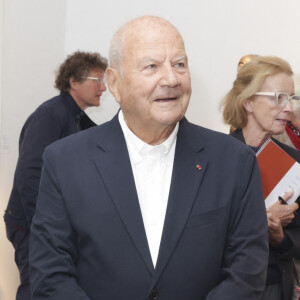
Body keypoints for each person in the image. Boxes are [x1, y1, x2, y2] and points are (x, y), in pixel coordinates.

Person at [30, 16, 268, 300]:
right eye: (151, 66)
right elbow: (51, 276)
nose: (170, 79)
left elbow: (247, 274)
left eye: (179, 64)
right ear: (115, 84)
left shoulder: (235, 161)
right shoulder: (65, 161)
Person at [4, 51, 108, 300]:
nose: (103, 87)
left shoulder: (78, 118)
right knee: (37, 287)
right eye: (97, 80)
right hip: (32, 224)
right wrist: (41, 227)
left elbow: (109, 139)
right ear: (73, 81)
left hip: (53, 224)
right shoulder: (50, 115)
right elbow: (29, 174)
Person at [222, 55, 300, 300]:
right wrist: (260, 221)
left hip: (275, 284)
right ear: (248, 102)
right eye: (279, 98)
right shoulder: (215, 158)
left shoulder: (294, 161)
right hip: (226, 285)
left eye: (291, 98)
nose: (288, 108)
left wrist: (280, 238)